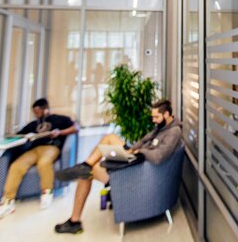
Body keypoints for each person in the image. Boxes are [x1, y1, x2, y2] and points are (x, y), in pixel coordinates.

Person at [53, 99, 182, 235]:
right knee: (108, 139)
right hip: (137, 159)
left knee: (87, 173)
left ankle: (74, 220)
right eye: (153, 117)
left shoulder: (173, 132)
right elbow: (145, 141)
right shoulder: (162, 127)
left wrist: (139, 152)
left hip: (138, 170)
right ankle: (85, 165)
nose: (154, 120)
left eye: (156, 117)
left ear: (167, 114)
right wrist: (132, 149)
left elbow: (158, 157)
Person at [0, 98, 77, 222]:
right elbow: (19, 135)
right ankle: (8, 201)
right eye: (34, 112)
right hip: (34, 150)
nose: (36, 115)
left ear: (45, 109)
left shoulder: (59, 119)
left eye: (38, 112)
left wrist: (59, 132)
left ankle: (47, 192)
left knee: (44, 163)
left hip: (51, 147)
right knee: (17, 165)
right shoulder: (33, 124)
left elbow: (76, 127)